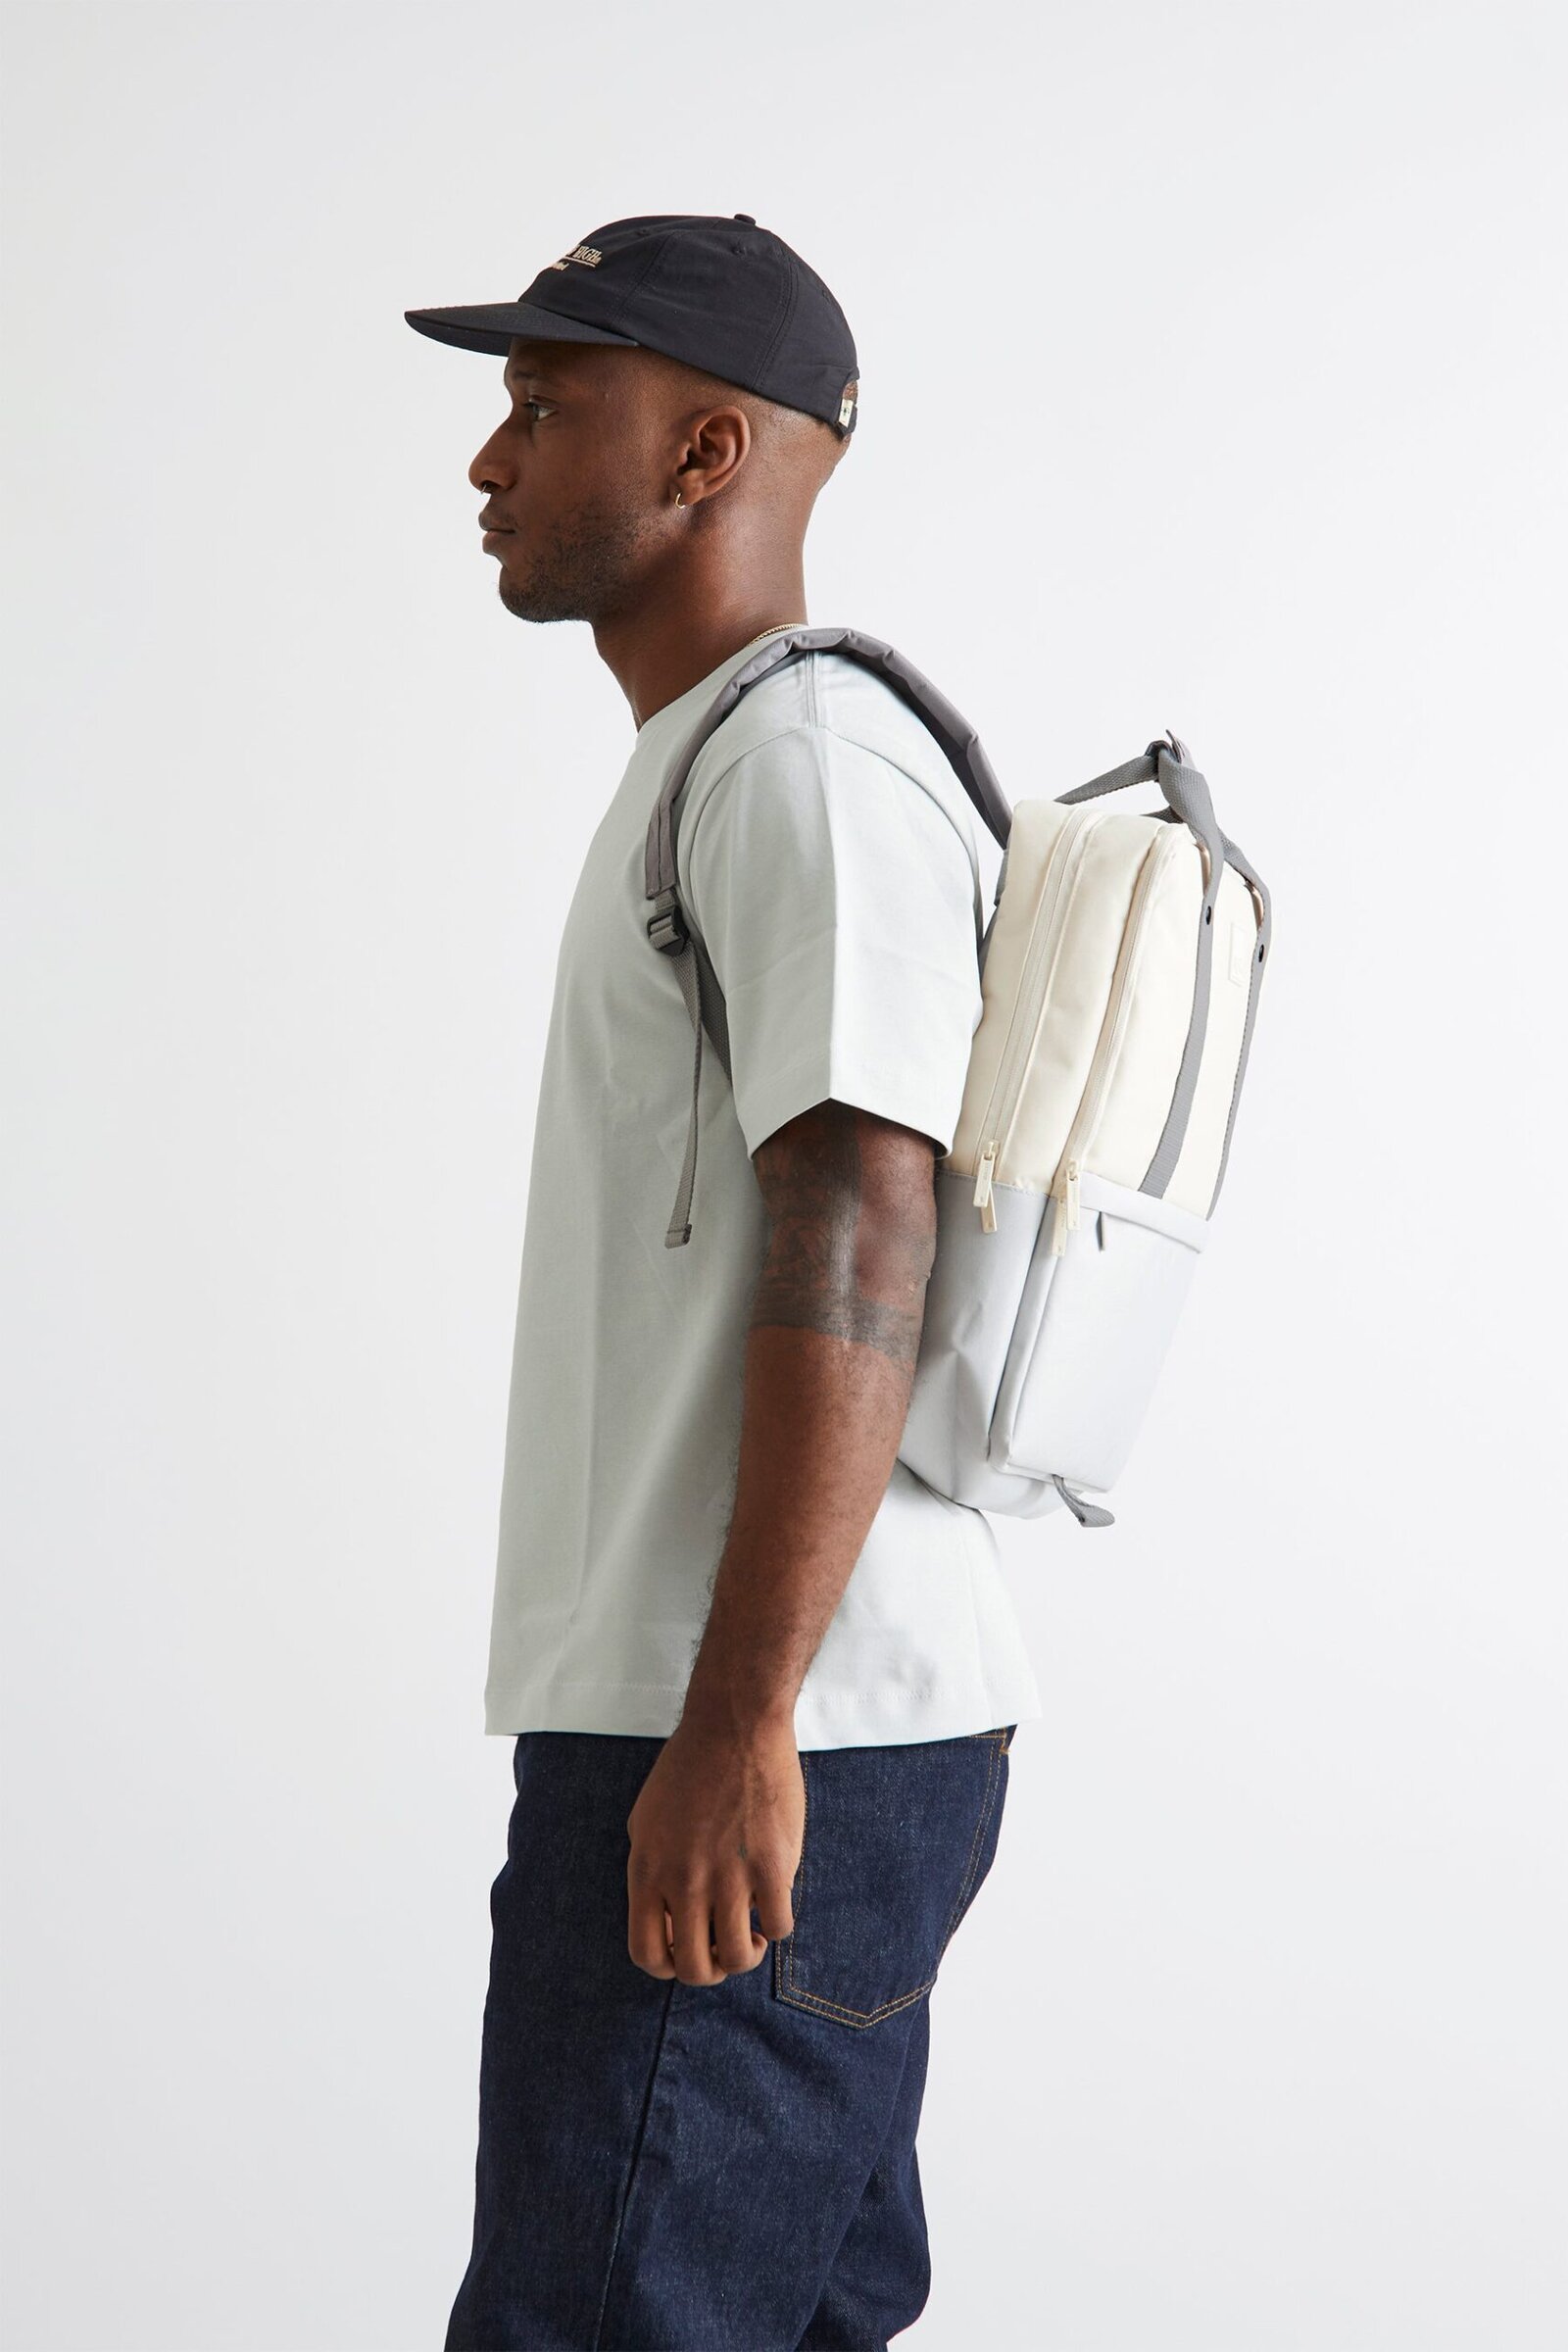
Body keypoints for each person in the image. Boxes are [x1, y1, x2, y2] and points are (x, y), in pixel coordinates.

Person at [406, 213, 1043, 2352]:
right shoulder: (719, 756)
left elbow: (863, 1221)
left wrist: (740, 1721)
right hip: (759, 1719)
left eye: (544, 402)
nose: (490, 455)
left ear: (706, 455)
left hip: (764, 1726)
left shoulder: (799, 763)